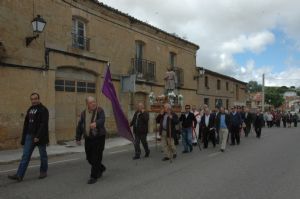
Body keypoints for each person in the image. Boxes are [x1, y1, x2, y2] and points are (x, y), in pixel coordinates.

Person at [8, 93, 49, 182]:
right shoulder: (30, 110)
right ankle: (19, 175)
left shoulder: (43, 109)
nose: (34, 101)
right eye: (32, 99)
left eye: (35, 99)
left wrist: (38, 136)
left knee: (43, 156)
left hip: (40, 137)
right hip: (29, 136)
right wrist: (24, 139)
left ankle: (43, 171)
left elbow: (43, 124)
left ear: (39, 99)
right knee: (25, 156)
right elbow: (26, 125)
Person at [76, 96, 106, 184]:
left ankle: (93, 176)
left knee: (96, 157)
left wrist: (96, 123)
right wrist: (78, 137)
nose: (93, 103)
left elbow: (102, 119)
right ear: (87, 104)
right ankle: (100, 168)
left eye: (94, 102)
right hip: (88, 138)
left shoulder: (100, 110)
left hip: (99, 137)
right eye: (91, 102)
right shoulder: (83, 113)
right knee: (89, 158)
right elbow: (80, 126)